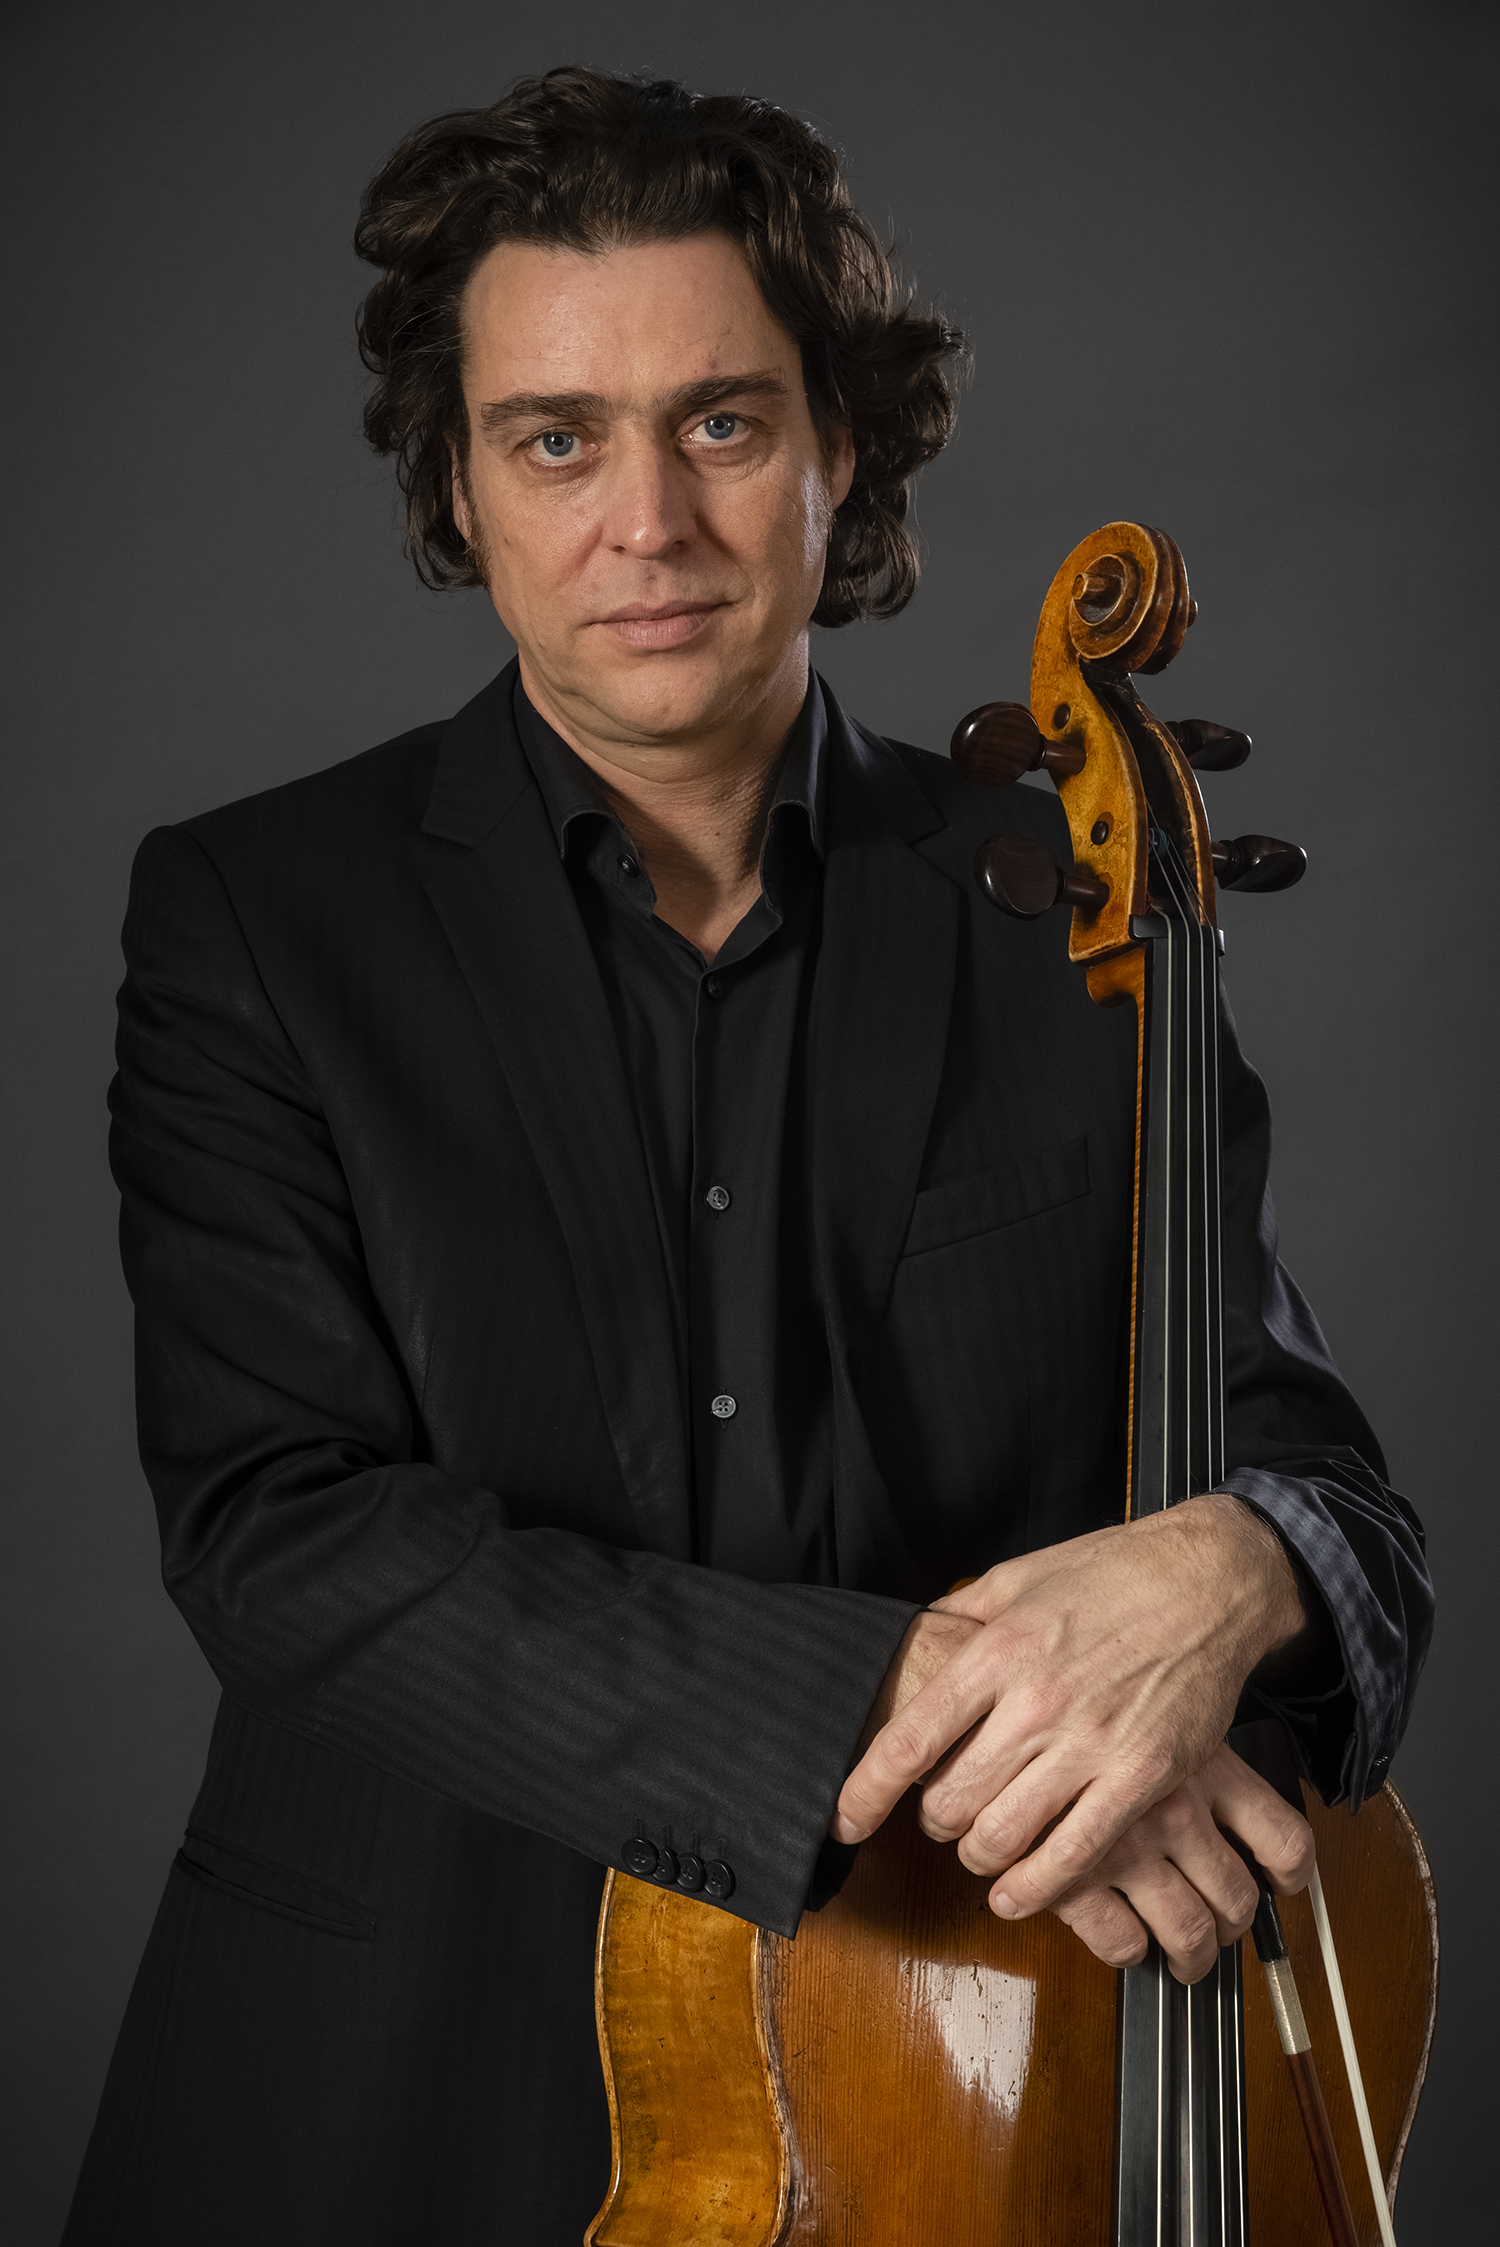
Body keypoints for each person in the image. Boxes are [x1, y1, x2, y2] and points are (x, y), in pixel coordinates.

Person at [63, 65, 1431, 2247]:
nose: (649, 522)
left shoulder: (1079, 911)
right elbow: (277, 1530)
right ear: (458, 483)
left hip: (961, 2089)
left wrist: (1245, 1558)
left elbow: (1324, 1480)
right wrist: (910, 1687)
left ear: (837, 449)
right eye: (554, 439)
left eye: (720, 421)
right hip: (394, 2088)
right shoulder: (256, 919)